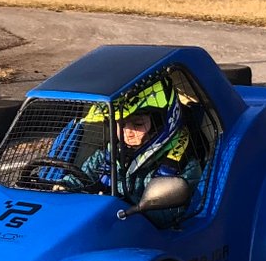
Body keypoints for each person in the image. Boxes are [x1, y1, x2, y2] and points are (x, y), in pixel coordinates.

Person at [76, 81, 204, 223]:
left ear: (159, 123)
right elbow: (82, 177)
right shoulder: (109, 154)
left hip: (145, 232)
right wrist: (64, 186)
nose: (127, 133)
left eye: (138, 124)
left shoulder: (181, 165)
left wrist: (118, 203)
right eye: (121, 124)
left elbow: (166, 216)